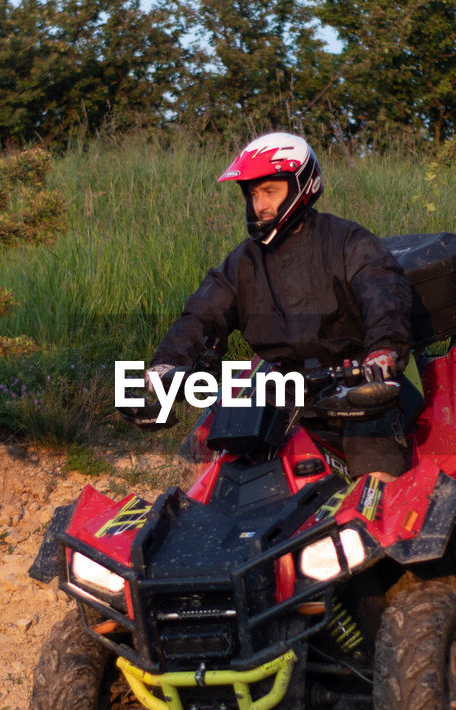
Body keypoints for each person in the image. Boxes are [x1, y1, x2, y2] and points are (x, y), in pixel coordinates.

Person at [148, 132, 415, 479]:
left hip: (359, 387)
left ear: (302, 186)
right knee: (203, 450)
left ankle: (386, 529)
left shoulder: (348, 241)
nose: (260, 205)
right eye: (254, 194)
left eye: (270, 191)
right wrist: (167, 364)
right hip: (286, 389)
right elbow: (203, 312)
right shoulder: (243, 261)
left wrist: (383, 350)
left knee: (373, 466)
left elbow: (384, 295)